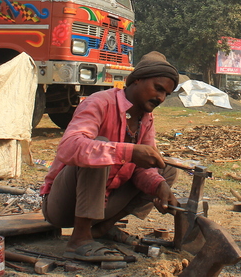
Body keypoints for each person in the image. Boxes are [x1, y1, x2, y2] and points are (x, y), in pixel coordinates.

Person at [40, 51, 180, 260]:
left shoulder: (146, 119)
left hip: (104, 205)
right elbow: (69, 147)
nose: (160, 98)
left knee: (165, 169)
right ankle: (80, 239)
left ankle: (102, 228)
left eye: (166, 94)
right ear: (136, 80)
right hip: (63, 205)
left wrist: (159, 187)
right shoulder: (100, 102)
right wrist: (128, 152)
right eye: (158, 88)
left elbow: (144, 169)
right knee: (99, 147)